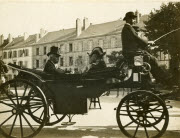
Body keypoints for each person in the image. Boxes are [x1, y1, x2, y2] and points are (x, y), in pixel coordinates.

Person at [121, 11, 173, 86]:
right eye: (133, 19)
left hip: (133, 52)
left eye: (134, 19)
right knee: (149, 58)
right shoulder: (127, 28)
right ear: (128, 19)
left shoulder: (128, 28)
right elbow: (136, 38)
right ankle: (158, 80)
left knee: (152, 59)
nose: (134, 20)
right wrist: (147, 43)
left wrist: (147, 43)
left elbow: (135, 41)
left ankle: (160, 79)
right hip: (132, 53)